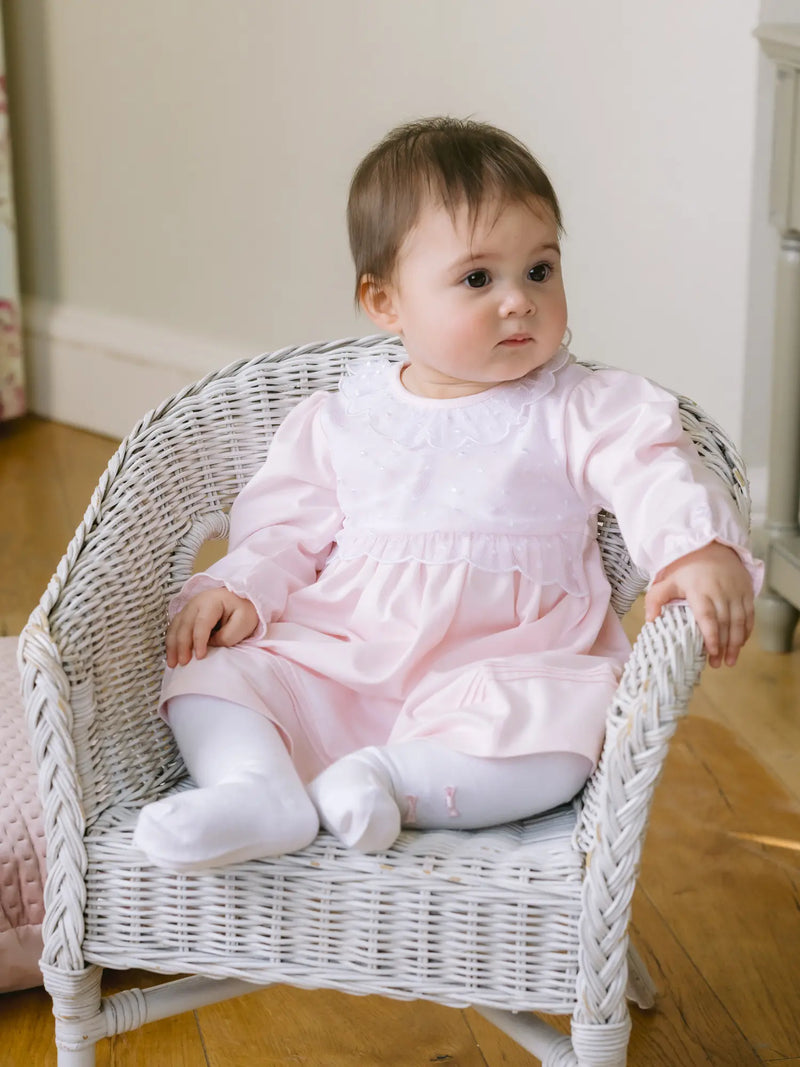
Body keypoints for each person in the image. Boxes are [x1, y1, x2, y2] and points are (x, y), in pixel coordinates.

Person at [133, 117, 762, 871]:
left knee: (566, 733)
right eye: (477, 278)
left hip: (500, 662)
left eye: (540, 269)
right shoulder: (347, 414)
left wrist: (697, 547)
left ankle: (389, 781)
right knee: (209, 670)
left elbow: (653, 465)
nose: (520, 301)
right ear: (386, 303)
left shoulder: (578, 406)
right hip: (348, 646)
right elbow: (284, 524)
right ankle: (257, 789)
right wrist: (242, 584)